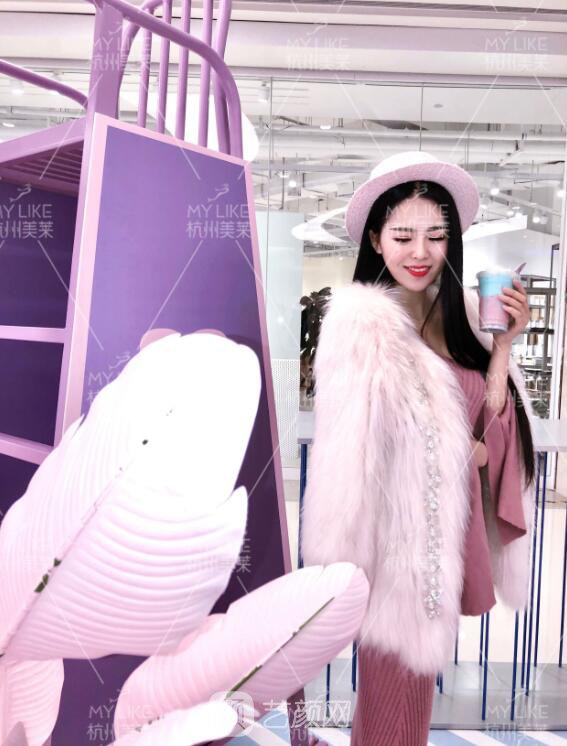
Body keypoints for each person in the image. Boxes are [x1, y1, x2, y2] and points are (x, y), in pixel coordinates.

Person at [299, 151, 536, 746]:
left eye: (435, 235)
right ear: (375, 240)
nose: (420, 252)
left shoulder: (461, 320)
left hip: (437, 548)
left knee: (408, 711)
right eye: (403, 236)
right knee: (390, 708)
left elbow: (488, 425)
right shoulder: (360, 325)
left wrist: (503, 348)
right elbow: (351, 451)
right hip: (390, 553)